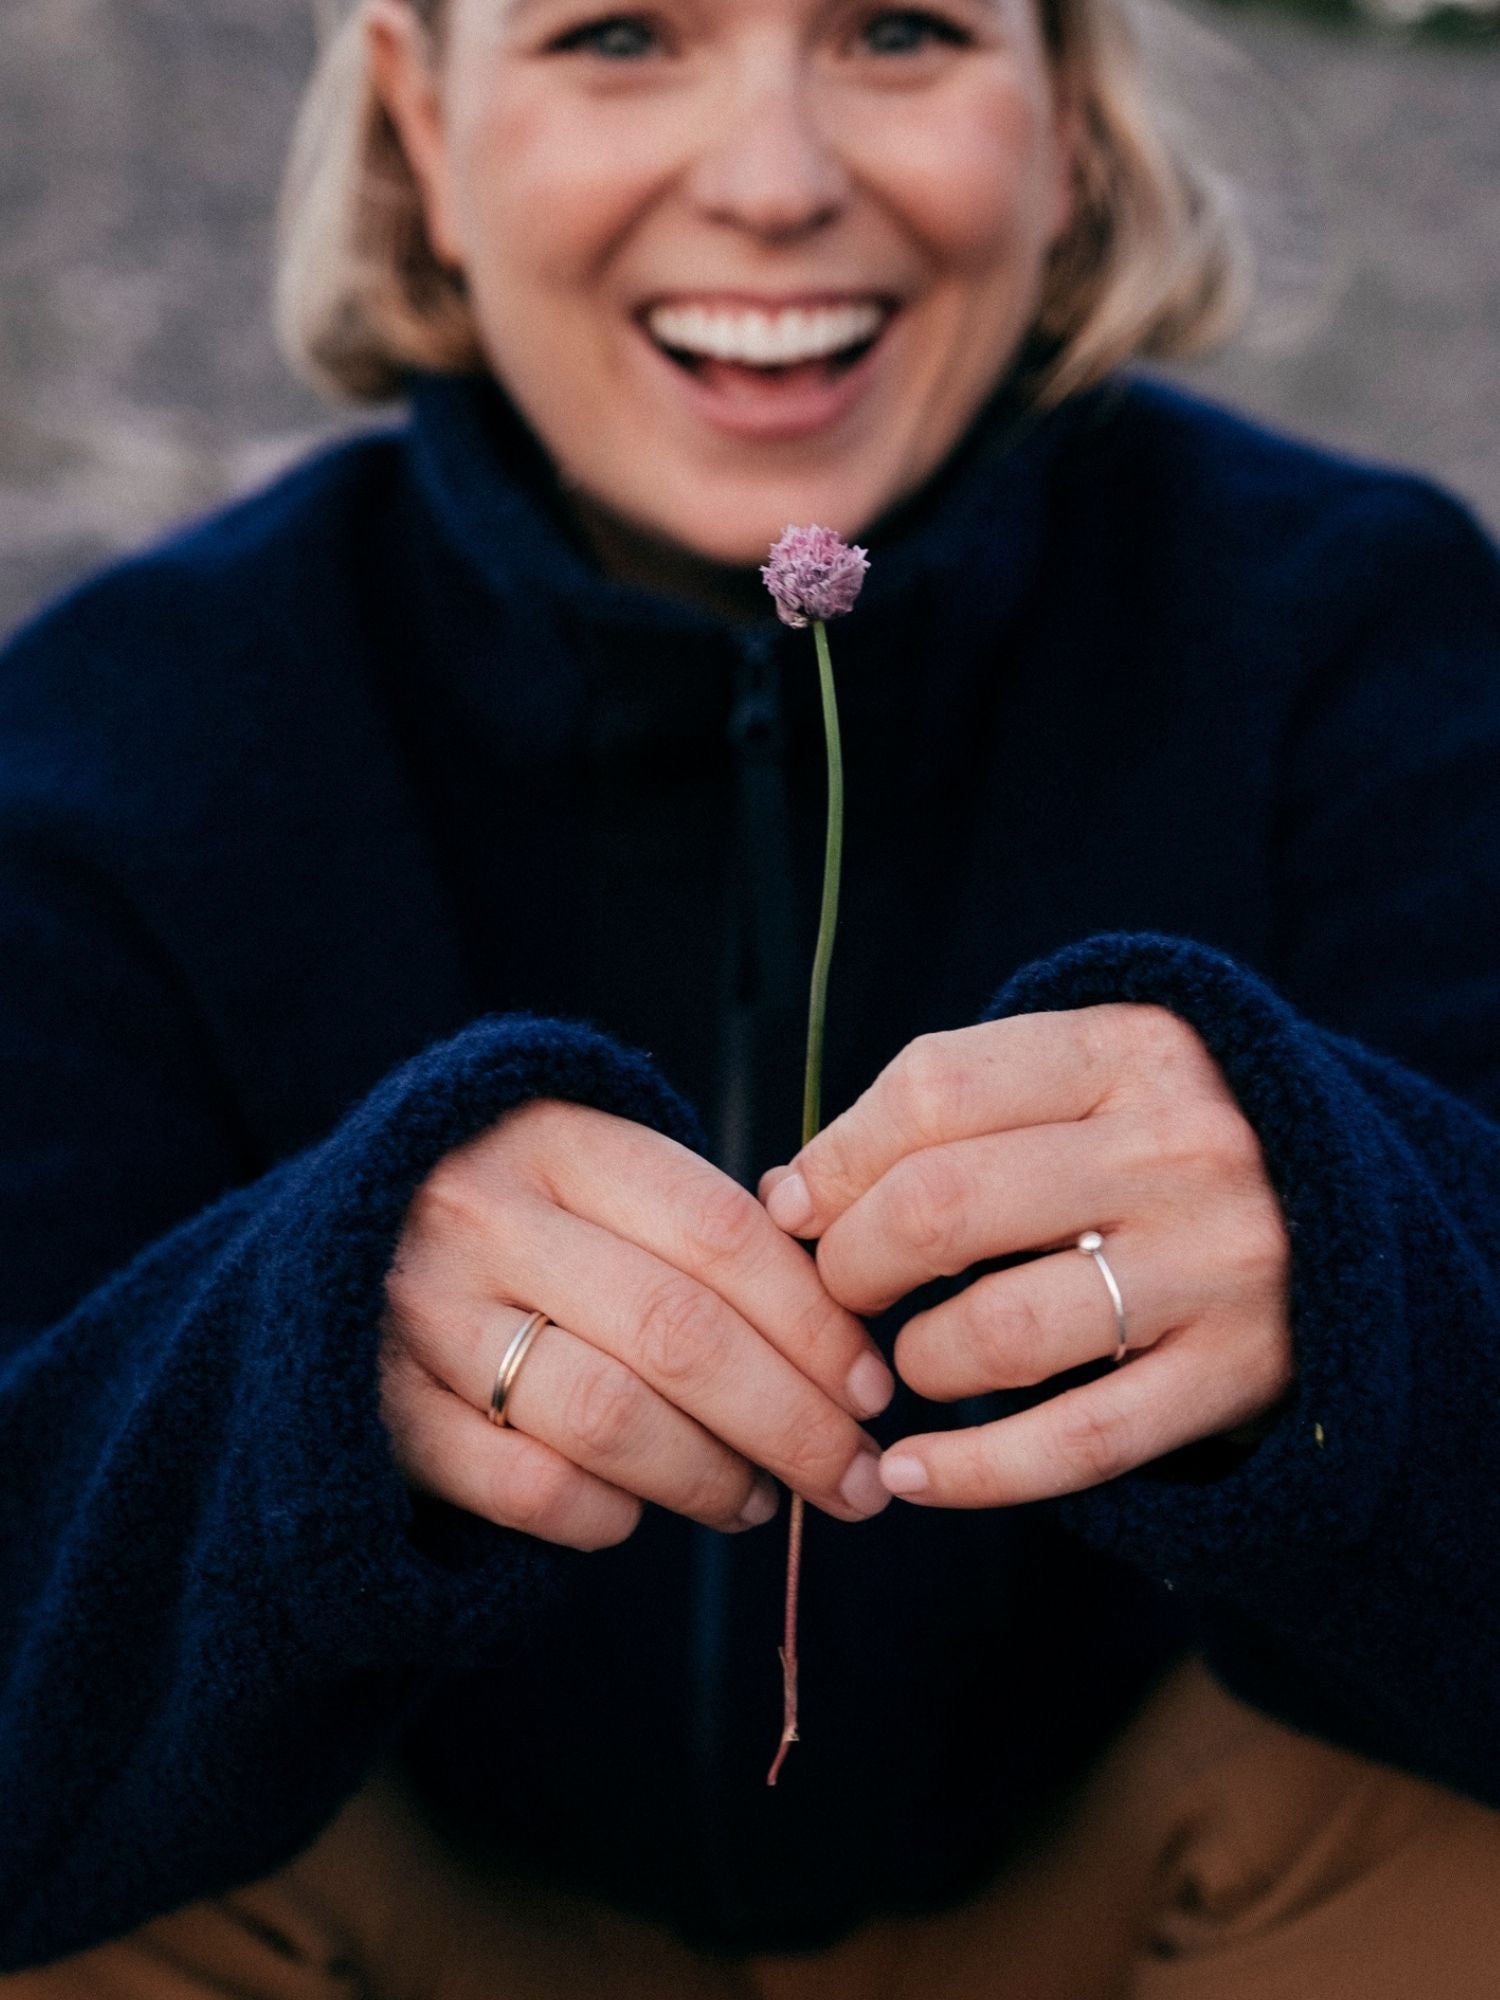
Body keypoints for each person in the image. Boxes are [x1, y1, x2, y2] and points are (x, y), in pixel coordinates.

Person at [2, 0, 1499, 1991]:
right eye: (620, 35)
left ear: (1064, 110)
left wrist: (1367, 1264)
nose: (776, 180)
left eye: (900, 31)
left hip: (1160, 1889)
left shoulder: (1364, 637)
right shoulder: (121, 738)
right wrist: (292, 1359)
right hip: (386, 1901)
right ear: (419, 126)